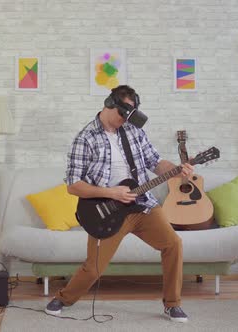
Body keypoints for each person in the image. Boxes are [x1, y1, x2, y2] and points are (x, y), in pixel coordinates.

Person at [45, 85, 193, 323]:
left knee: (173, 244)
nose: (125, 121)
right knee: (93, 268)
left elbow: (156, 163)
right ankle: (62, 298)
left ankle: (172, 304)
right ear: (109, 104)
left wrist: (177, 170)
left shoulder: (133, 131)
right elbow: (73, 185)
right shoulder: (85, 138)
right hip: (108, 211)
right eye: (123, 115)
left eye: (130, 117)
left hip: (143, 205)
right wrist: (111, 193)